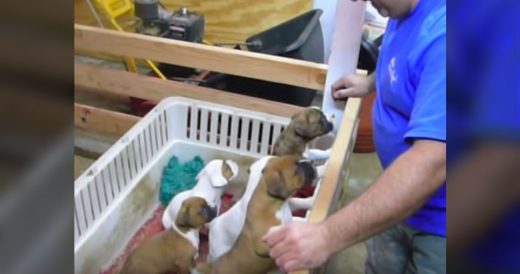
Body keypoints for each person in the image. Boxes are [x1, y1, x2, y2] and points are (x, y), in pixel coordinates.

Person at [263, 0, 446, 273]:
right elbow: (406, 61)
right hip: (394, 198)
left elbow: (431, 162)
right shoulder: (404, 8)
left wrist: (326, 235)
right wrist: (371, 82)